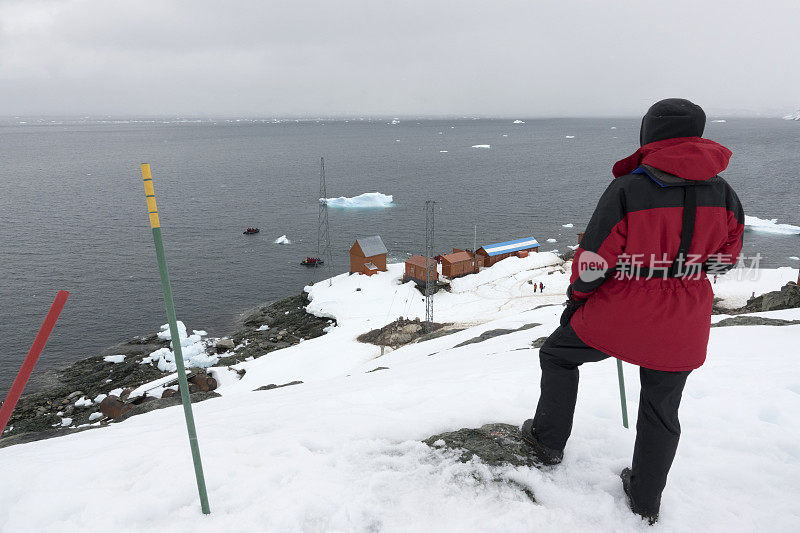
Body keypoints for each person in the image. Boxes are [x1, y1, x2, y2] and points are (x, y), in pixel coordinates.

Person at [520, 99, 744, 524]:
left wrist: (577, 302)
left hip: (620, 313)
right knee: (661, 407)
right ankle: (645, 501)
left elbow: (594, 260)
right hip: (684, 319)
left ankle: (547, 443)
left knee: (557, 355)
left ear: (650, 133)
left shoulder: (628, 188)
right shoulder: (725, 192)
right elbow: (726, 260)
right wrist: (684, 272)